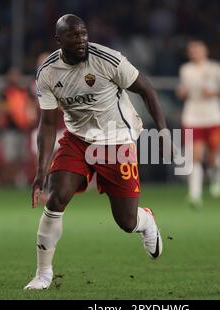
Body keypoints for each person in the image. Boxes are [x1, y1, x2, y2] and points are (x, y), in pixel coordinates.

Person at [24, 14, 168, 290]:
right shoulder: (48, 73)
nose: (81, 40)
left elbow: (147, 90)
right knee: (56, 197)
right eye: (73, 36)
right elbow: (48, 123)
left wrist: (162, 132)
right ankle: (43, 274)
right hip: (78, 139)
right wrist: (40, 172)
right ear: (59, 39)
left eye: (83, 34)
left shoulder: (108, 59)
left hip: (117, 141)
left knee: (126, 222)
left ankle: (146, 220)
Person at [176, 40, 220, 208]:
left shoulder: (217, 68)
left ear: (205, 51)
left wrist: (215, 92)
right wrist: (182, 92)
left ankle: (218, 170)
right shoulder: (185, 70)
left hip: (213, 116)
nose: (194, 53)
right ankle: (195, 194)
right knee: (194, 156)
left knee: (212, 156)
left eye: (197, 50)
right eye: (191, 50)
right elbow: (184, 90)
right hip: (193, 116)